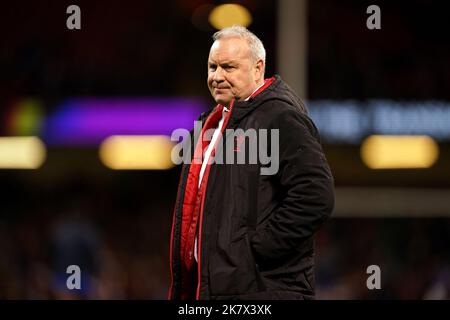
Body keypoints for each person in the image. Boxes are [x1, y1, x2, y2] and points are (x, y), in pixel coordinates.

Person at [169, 25, 334, 300]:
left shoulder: (281, 117)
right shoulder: (209, 124)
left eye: (229, 67)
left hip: (262, 290)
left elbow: (316, 195)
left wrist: (254, 250)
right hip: (215, 289)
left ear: (258, 69)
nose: (217, 76)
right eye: (212, 67)